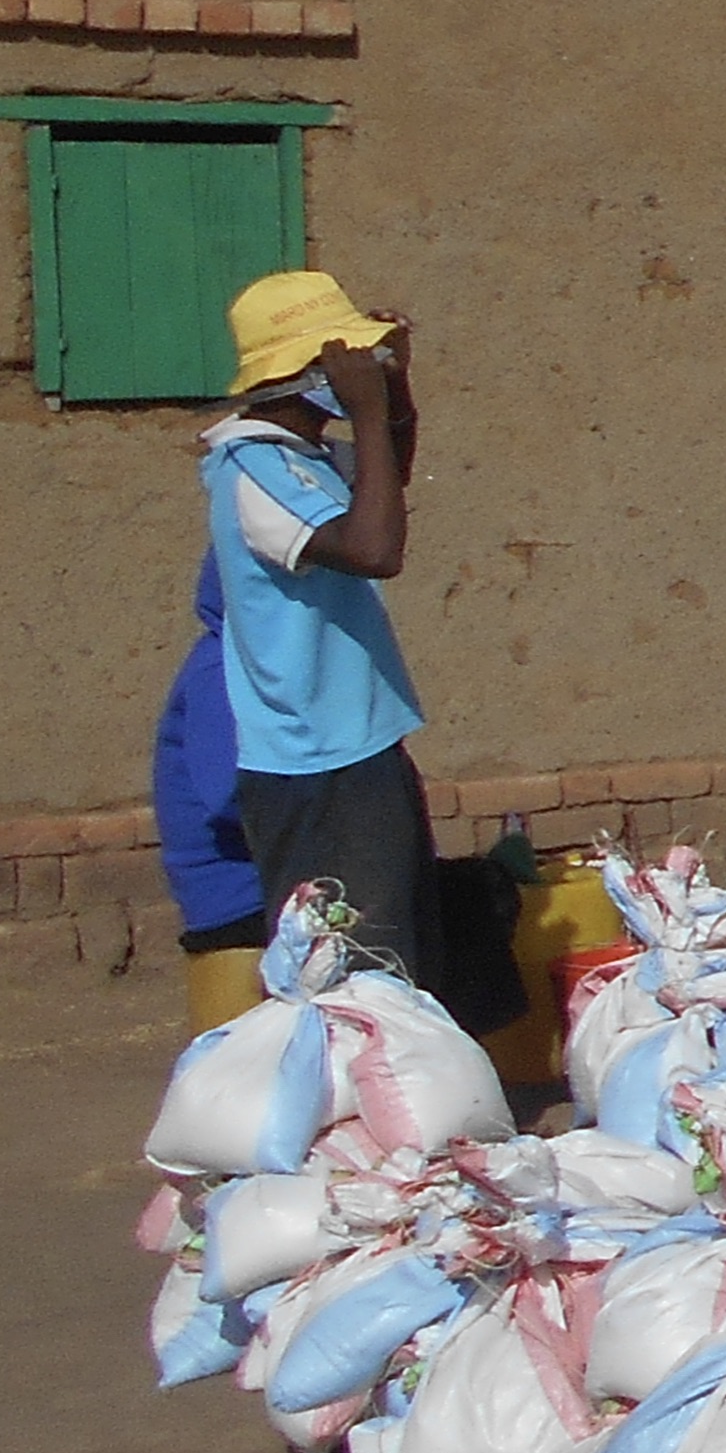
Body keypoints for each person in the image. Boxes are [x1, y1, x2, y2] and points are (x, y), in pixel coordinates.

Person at [200, 270, 434, 975]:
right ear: (303, 375)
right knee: (349, 967)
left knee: (397, 951)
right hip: (313, 766)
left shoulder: (302, 459)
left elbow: (383, 487)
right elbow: (375, 548)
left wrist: (395, 394)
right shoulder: (251, 467)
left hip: (359, 743)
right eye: (341, 362)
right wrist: (366, 411)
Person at [152, 555, 266, 956]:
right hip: (243, 903)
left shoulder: (266, 670)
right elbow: (234, 798)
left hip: (281, 886)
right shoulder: (219, 672)